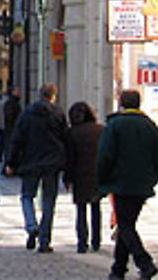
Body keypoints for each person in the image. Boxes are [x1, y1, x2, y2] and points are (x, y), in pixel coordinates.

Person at [97, 89, 158, 280]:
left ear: (121, 103)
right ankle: (118, 269)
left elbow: (105, 156)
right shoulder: (150, 126)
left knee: (125, 226)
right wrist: (152, 179)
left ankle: (145, 263)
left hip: (121, 184)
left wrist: (102, 181)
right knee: (126, 225)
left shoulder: (115, 125)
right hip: (142, 184)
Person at [5, 82, 68, 253]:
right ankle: (45, 241)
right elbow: (65, 139)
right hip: (52, 163)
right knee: (49, 202)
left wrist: (10, 162)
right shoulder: (58, 114)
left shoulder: (27, 113)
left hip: (30, 161)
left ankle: (31, 225)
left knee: (26, 196)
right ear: (53, 96)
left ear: (39, 95)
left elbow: (17, 139)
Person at [63, 101, 104, 254]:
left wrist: (67, 177)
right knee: (96, 207)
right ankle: (96, 240)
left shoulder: (72, 132)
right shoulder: (100, 130)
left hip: (79, 174)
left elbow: (69, 158)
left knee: (81, 209)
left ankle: (82, 242)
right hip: (97, 173)